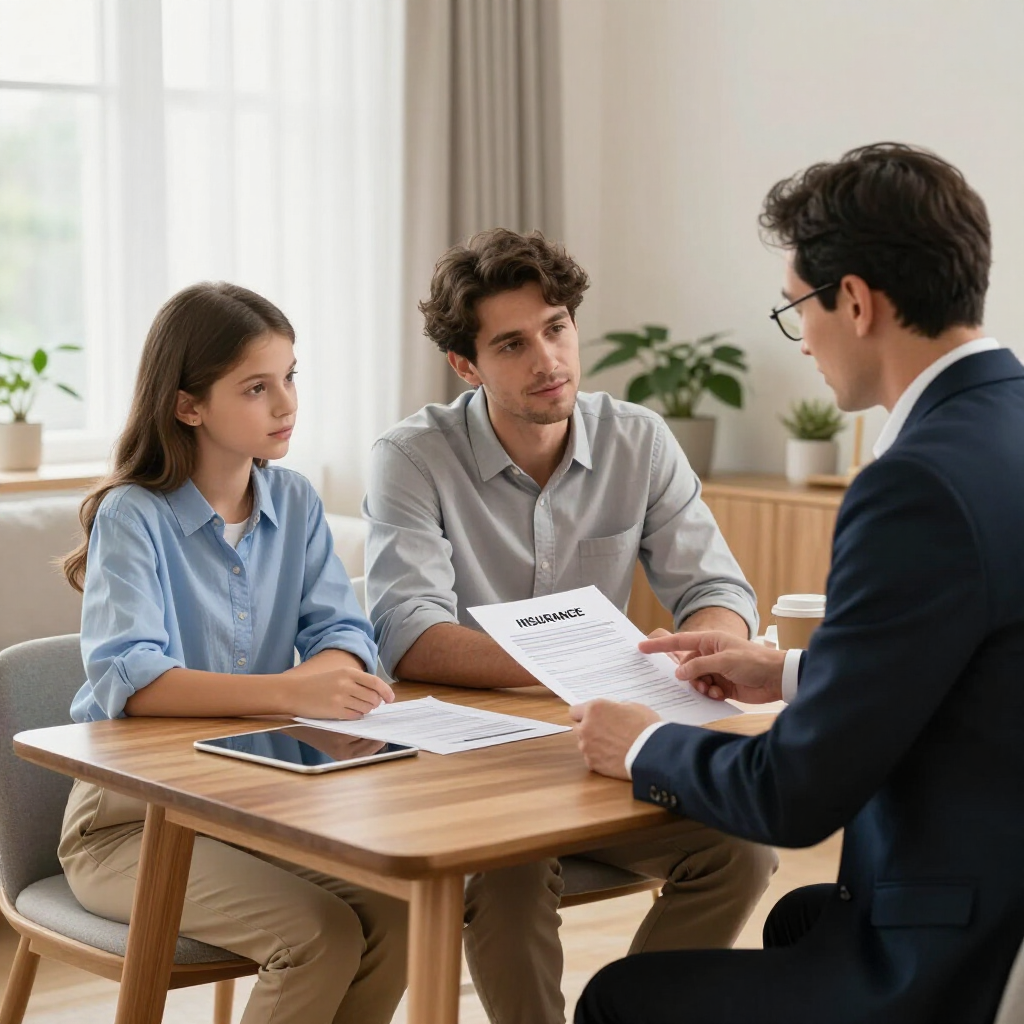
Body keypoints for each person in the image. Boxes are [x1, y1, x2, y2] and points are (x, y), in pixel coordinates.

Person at [572, 142, 1024, 1024]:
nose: (803, 338)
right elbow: (979, 666)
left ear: (854, 301)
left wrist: (638, 744)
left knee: (621, 1001)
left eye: (796, 309)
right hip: (996, 883)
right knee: (798, 920)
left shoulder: (915, 484)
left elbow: (797, 795)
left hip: (964, 952)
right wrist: (781, 673)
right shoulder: (1004, 426)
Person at [363, 228, 777, 1024]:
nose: (547, 359)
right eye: (512, 343)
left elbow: (717, 587)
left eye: (556, 328)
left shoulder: (639, 438)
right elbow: (408, 635)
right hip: (476, 766)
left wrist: (716, 640)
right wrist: (572, 665)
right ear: (465, 364)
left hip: (608, 748)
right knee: (507, 879)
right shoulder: (412, 457)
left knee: (740, 850)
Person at [59, 282, 407, 1024]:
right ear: (188, 405)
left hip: (258, 807)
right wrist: (294, 692)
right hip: (132, 824)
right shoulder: (134, 515)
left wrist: (330, 679)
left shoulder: (300, 503)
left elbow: (346, 639)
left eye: (290, 377)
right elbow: (137, 682)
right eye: (256, 387)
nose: (286, 404)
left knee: (397, 914)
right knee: (316, 936)